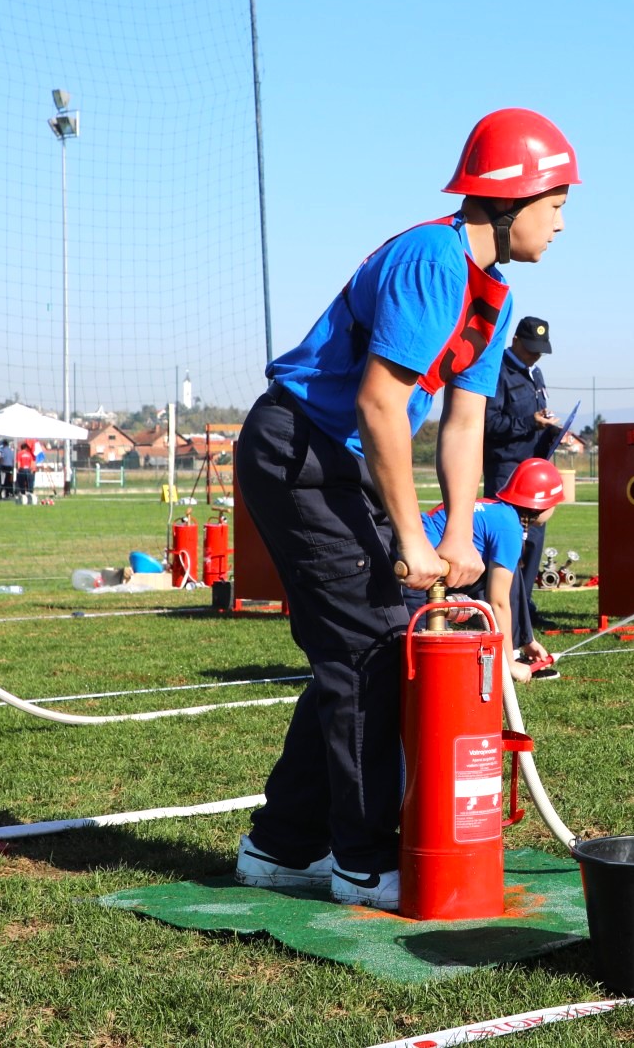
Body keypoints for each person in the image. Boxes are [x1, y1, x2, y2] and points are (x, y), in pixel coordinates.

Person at [231, 106, 577, 911]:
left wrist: (455, 533)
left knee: (364, 640)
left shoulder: (492, 292)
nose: (562, 223)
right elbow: (381, 404)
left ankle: (282, 846)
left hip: (342, 461)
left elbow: (463, 423)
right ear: (511, 196)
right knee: (370, 646)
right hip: (300, 450)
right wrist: (414, 546)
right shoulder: (433, 260)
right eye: (555, 203)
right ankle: (361, 859)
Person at [405, 458, 562, 681]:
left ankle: (519, 643)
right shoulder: (509, 528)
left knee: (509, 575)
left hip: (415, 556)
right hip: (419, 573)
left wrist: (528, 641)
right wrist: (509, 665)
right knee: (420, 670)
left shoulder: (497, 510)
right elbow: (498, 601)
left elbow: (509, 590)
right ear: (543, 504)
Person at [484, 315, 557, 637]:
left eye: (540, 350)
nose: (535, 355)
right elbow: (488, 423)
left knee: (533, 544)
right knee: (509, 545)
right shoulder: (496, 371)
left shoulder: (534, 372)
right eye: (530, 349)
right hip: (507, 471)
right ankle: (506, 619)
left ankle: (524, 614)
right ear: (515, 341)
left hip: (533, 470)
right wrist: (531, 422)